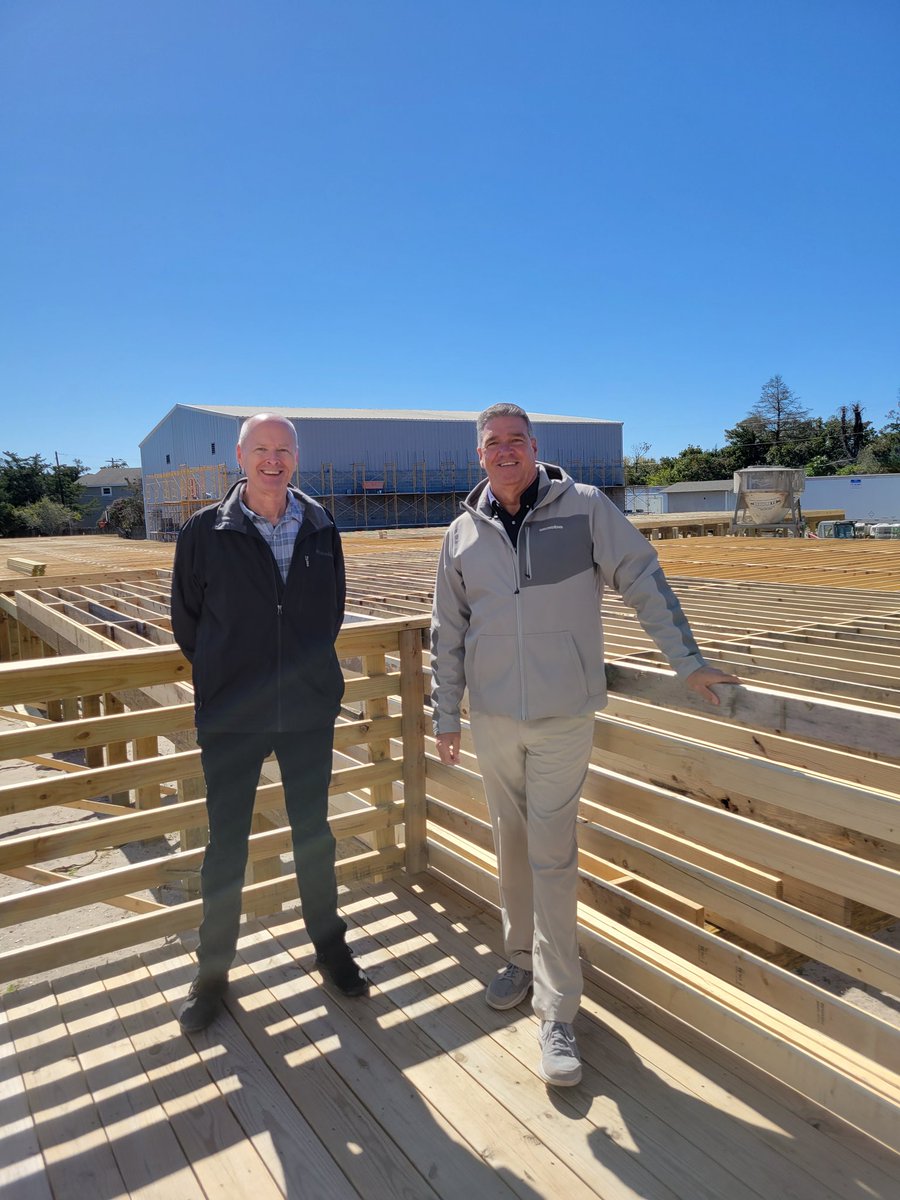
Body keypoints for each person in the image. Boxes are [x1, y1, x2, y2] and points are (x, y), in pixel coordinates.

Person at [431, 403, 738, 1086]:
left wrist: (687, 663)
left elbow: (642, 578)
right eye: (493, 444)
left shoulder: (586, 508)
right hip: (492, 720)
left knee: (551, 853)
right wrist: (446, 713)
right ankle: (518, 955)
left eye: (516, 441)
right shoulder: (460, 534)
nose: (505, 452)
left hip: (564, 714)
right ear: (479, 456)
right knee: (509, 842)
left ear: (534, 448)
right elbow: (445, 633)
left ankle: (558, 1012)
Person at [170, 413, 368, 1034]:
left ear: (296, 456)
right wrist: (234, 678)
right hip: (233, 716)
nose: (272, 460)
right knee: (226, 846)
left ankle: (331, 951)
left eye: (283, 450)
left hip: (306, 710)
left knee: (314, 833)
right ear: (240, 456)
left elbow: (329, 610)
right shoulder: (205, 531)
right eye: (261, 449)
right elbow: (188, 622)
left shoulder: (319, 523)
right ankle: (212, 975)